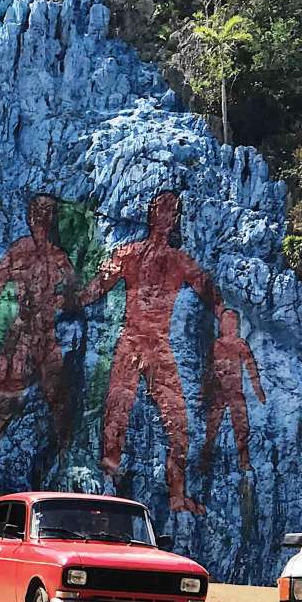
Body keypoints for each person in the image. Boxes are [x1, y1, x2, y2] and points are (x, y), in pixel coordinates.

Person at [81, 191, 222, 515]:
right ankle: (107, 487)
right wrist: (64, 301)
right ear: (151, 213)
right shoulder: (129, 253)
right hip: (131, 340)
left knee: (178, 423)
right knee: (116, 414)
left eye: (173, 211)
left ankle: (177, 496)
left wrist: (228, 328)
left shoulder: (180, 261)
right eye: (162, 209)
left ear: (176, 219)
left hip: (158, 345)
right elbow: (95, 289)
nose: (167, 216)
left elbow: (212, 296)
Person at [0, 195, 78, 484]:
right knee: (2, 402)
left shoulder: (60, 258)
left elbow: (73, 297)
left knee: (58, 404)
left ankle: (67, 467)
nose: (41, 218)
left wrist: (61, 301)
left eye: (47, 212)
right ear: (30, 216)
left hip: (46, 339)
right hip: (21, 336)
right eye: (37, 211)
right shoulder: (19, 250)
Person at [201, 309, 266, 472]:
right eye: (226, 322)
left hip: (235, 392)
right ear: (222, 325)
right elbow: (208, 370)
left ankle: (243, 461)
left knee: (242, 427)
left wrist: (259, 392)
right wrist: (204, 392)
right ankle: (204, 461)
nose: (229, 325)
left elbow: (252, 369)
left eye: (232, 322)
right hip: (219, 392)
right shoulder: (216, 345)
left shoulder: (240, 344)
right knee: (212, 428)